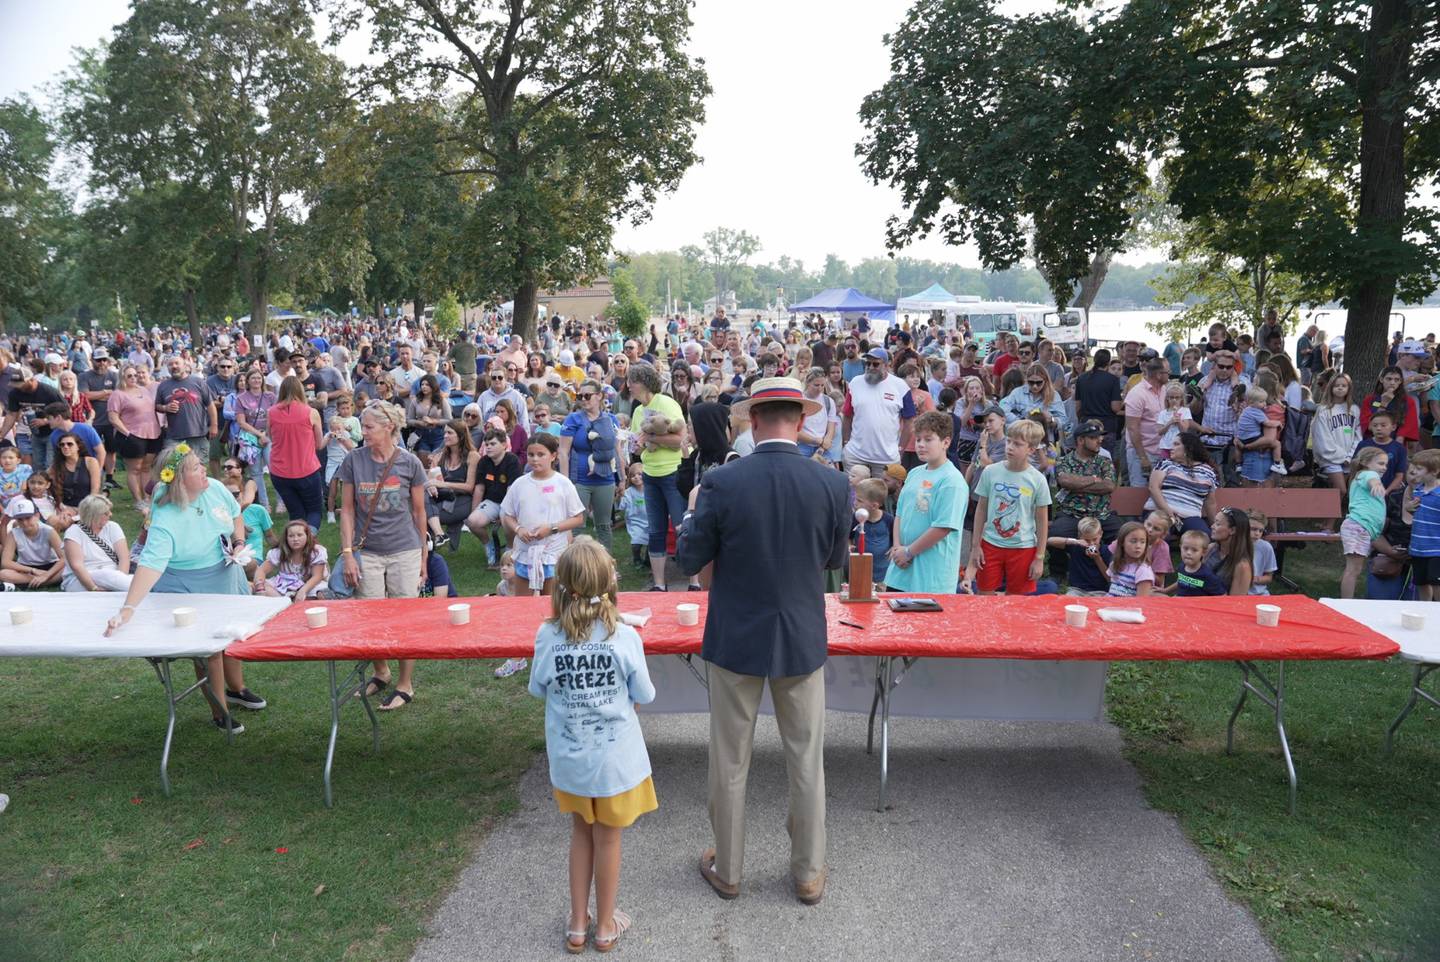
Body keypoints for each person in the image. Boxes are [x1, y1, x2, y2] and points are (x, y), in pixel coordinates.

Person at [676, 376, 850, 906]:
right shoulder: (833, 484)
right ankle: (808, 872)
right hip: (799, 632)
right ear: (800, 422)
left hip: (737, 631)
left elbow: (689, 558)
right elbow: (835, 561)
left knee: (730, 758)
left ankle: (728, 870)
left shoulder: (724, 482)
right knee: (806, 758)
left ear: (753, 420)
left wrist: (691, 513)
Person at [526, 537, 656, 953]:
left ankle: (577, 925)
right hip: (615, 763)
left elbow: (537, 689)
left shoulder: (548, 636)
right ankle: (604, 926)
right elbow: (646, 694)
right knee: (609, 839)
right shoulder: (624, 637)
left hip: (570, 760)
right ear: (610, 583)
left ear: (561, 586)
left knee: (581, 833)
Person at [102, 443, 264, 732]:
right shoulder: (166, 517)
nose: (204, 469)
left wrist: (238, 542)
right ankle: (219, 711)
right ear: (178, 479)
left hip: (224, 572)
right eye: (195, 468)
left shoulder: (214, 486)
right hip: (184, 582)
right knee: (207, 649)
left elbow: (236, 515)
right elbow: (151, 565)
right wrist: (127, 609)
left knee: (234, 635)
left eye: (201, 465)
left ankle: (236, 688)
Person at [337, 401, 429, 711]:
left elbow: (419, 512)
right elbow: (347, 509)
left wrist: (423, 556)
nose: (362, 432)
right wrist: (347, 553)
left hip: (405, 548)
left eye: (368, 427)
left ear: (388, 426)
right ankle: (381, 672)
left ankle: (405, 683)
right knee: (370, 617)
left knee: (406, 618)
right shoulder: (353, 460)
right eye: (362, 427)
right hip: (368, 552)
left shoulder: (410, 463)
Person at [883, 410, 967, 593]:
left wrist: (909, 552)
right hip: (901, 571)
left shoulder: (952, 480)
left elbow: (943, 526)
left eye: (928, 439)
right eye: (918, 439)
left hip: (931, 576)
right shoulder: (914, 473)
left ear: (946, 442)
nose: (921, 444)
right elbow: (900, 513)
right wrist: (898, 547)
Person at [499, 432, 585, 605]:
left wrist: (552, 528)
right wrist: (518, 529)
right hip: (525, 552)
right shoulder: (520, 484)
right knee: (522, 604)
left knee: (552, 603)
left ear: (553, 456)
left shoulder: (563, 483)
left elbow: (578, 518)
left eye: (541, 454)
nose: (535, 459)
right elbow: (508, 515)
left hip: (553, 552)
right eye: (531, 455)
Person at [967, 419, 1052, 595]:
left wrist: (1039, 557)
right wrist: (976, 546)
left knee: (1016, 602)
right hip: (990, 543)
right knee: (985, 597)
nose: (1010, 447)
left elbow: (1042, 521)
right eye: (1009, 441)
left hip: (1023, 546)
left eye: (1018, 444)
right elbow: (981, 510)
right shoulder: (991, 471)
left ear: (1031, 449)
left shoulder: (1037, 480)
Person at [627, 363, 688, 591]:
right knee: (655, 529)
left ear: (643, 382)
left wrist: (652, 439)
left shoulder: (666, 403)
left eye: (632, 381)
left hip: (673, 472)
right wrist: (634, 445)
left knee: (683, 527)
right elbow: (637, 447)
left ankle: (693, 581)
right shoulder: (637, 410)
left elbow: (679, 440)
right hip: (650, 474)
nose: (629, 386)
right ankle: (659, 585)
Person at [558, 379, 622, 552]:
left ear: (599, 396)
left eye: (587, 395)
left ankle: (606, 565)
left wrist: (621, 479)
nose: (583, 399)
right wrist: (565, 482)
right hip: (578, 480)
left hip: (605, 478)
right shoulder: (573, 419)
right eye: (580, 396)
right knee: (577, 524)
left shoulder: (611, 420)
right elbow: (563, 452)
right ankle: (575, 566)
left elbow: (617, 451)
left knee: (604, 525)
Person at [842, 348, 916, 478]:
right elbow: (847, 415)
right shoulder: (855, 383)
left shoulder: (901, 386)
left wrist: (900, 449)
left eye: (875, 364)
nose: (870, 367)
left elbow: (909, 422)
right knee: (854, 495)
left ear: (887, 366)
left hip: (887, 458)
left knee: (882, 496)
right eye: (867, 363)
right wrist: (846, 443)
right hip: (855, 455)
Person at [268, 376, 325, 531]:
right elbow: (319, 444)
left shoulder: (271, 413)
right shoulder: (311, 412)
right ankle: (308, 541)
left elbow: (271, 437)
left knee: (296, 513)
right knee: (314, 511)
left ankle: (296, 545)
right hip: (306, 470)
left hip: (280, 472)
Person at [1146, 432, 1219, 535]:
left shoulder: (1208, 472)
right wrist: (1169, 513)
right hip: (1161, 512)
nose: (1171, 448)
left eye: (1176, 444)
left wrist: (1214, 527)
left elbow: (1210, 503)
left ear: (1188, 448)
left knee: (1204, 537)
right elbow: (1153, 488)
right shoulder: (1165, 464)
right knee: (1157, 534)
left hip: (1189, 517)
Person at [1340, 446, 1389, 598]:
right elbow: (1371, 479)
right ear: (1366, 462)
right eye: (1380, 463)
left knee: (1354, 569)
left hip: (1362, 528)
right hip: (1358, 526)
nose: (1384, 468)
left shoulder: (1361, 475)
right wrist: (1375, 484)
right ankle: (1346, 604)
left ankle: (1346, 601)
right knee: (1353, 569)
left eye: (1386, 464)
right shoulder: (1367, 474)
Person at [155, 355, 218, 461]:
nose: (174, 366)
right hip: (174, 436)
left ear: (185, 366)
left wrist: (214, 425)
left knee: (197, 468)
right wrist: (166, 407)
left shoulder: (198, 382)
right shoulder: (163, 386)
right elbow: (157, 406)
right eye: (170, 364)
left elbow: (210, 405)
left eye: (176, 363)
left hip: (198, 434)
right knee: (173, 469)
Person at [252, 519, 329, 600]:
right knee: (262, 587)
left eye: (299, 535)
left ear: (307, 536)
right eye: (291, 536)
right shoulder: (279, 552)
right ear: (286, 538)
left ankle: (290, 602)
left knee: (321, 594)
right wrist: (259, 586)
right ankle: (284, 602)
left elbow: (317, 576)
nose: (295, 539)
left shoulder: (316, 552)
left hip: (310, 584)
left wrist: (303, 591)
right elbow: (261, 570)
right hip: (284, 584)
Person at [1, 498, 64, 590]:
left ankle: (35, 582)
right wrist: (33, 570)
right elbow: (5, 562)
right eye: (20, 520)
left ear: (37, 516)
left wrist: (47, 575)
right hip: (26, 568)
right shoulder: (13, 533)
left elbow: (64, 557)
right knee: (3, 574)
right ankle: (46, 582)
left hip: (50, 565)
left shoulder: (48, 531)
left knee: (68, 569)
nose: (24, 523)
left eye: (28, 518)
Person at [1403, 449, 1440, 601]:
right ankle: (1426, 611)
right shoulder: (1418, 490)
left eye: (1419, 469)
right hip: (1418, 548)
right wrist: (1409, 509)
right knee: (1421, 583)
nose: (1415, 472)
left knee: (1437, 584)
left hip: (1436, 550)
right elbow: (1419, 514)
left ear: (1434, 472)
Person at [1047, 516, 1111, 596]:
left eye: (1095, 539)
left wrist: (1097, 559)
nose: (1091, 543)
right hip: (1076, 590)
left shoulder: (1106, 550)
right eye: (1087, 540)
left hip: (1100, 591)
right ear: (1080, 536)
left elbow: (1109, 578)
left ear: (1101, 534)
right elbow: (1050, 541)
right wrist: (1074, 541)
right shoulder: (1076, 546)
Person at [851, 477, 893, 587]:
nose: (855, 503)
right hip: (860, 572)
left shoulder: (888, 520)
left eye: (859, 500)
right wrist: (849, 546)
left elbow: (896, 540)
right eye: (855, 499)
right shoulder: (855, 518)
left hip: (883, 575)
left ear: (874, 505)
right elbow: (848, 537)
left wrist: (894, 548)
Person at [1206, 507, 1255, 595]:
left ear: (1232, 530)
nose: (1212, 526)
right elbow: (1193, 577)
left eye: (1217, 524)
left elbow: (1234, 603)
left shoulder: (1242, 566)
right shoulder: (1211, 548)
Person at [50, 431, 101, 510]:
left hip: (88, 506)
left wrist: (86, 508)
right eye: (62, 444)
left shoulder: (91, 462)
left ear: (78, 446)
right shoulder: (55, 466)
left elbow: (95, 489)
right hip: (65, 508)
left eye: (69, 444)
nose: (65, 447)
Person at [1106, 521, 1155, 597]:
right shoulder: (1116, 564)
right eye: (1133, 541)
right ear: (1122, 542)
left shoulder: (1143, 571)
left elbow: (1142, 602)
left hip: (1127, 608)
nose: (1138, 546)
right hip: (1109, 605)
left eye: (1142, 542)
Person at [618, 462, 648, 571]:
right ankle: (637, 559)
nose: (636, 477)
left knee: (651, 543)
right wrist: (621, 496)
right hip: (635, 522)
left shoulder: (650, 490)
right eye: (633, 476)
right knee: (636, 542)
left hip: (649, 521)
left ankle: (648, 561)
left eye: (640, 474)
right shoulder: (629, 492)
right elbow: (622, 506)